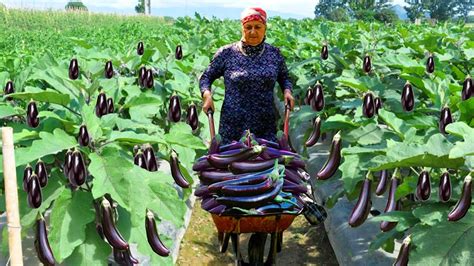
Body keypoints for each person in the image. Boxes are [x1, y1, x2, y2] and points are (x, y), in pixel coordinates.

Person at [199, 7, 294, 144]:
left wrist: (287, 90)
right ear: (242, 28)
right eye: (248, 27)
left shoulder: (274, 54)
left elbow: (285, 77)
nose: (253, 31)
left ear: (265, 28)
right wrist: (207, 95)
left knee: (264, 162)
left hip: (264, 125)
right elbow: (206, 77)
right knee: (231, 163)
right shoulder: (227, 53)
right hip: (232, 126)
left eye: (258, 27)